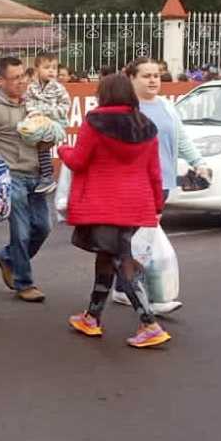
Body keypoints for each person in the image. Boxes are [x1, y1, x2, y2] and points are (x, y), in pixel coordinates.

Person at [59, 74, 170, 348]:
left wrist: (62, 149)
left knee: (121, 262)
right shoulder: (146, 126)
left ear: (103, 94)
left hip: (104, 203)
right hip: (136, 203)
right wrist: (157, 205)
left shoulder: (95, 122)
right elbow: (154, 172)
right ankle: (91, 317)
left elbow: (79, 161)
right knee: (107, 257)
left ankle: (150, 323)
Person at [117, 57, 210, 312]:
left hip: (163, 184)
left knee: (138, 241)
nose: (153, 80)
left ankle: (121, 287)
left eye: (156, 75)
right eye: (146, 76)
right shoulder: (127, 110)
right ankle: (148, 296)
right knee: (140, 240)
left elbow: (181, 141)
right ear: (131, 79)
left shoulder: (167, 107)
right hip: (136, 184)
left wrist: (198, 162)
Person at [0, 56, 50, 303]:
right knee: (22, 232)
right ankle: (24, 282)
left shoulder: (33, 103)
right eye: (15, 78)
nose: (21, 82)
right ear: (1, 81)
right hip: (11, 176)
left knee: (43, 227)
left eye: (23, 76)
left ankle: (7, 257)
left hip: (37, 175)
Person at [24, 52, 71, 194]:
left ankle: (47, 177)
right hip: (37, 119)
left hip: (55, 123)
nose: (51, 71)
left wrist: (46, 112)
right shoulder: (31, 88)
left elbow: (65, 106)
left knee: (42, 142)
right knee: (24, 133)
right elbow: (28, 103)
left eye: (54, 68)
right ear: (37, 68)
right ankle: (40, 173)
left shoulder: (59, 89)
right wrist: (35, 113)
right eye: (46, 67)